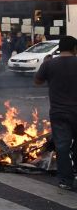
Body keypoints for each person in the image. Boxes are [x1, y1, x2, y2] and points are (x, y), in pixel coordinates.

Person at [34, 35, 77, 191]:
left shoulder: (49, 64)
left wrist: (45, 64)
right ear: (74, 49)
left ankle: (66, 180)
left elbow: (37, 82)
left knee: (62, 146)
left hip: (59, 113)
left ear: (59, 48)